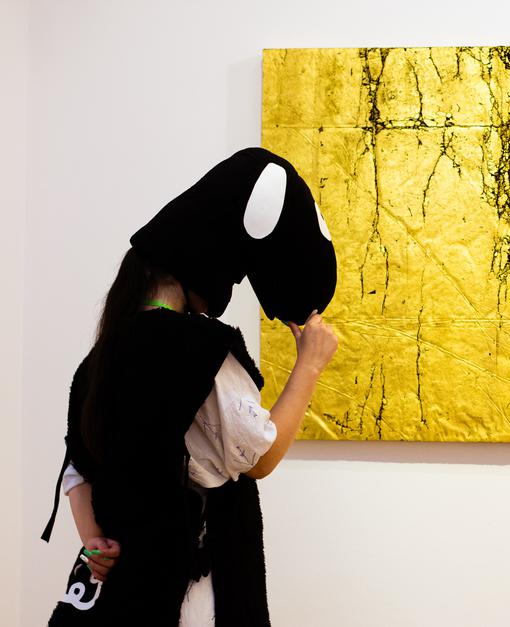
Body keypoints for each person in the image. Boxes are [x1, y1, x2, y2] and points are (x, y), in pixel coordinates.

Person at [41, 147, 339, 625]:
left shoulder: (95, 362)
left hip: (122, 600)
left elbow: (77, 467)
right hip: (193, 600)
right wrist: (309, 365)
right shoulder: (199, 351)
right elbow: (259, 457)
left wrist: (95, 541)